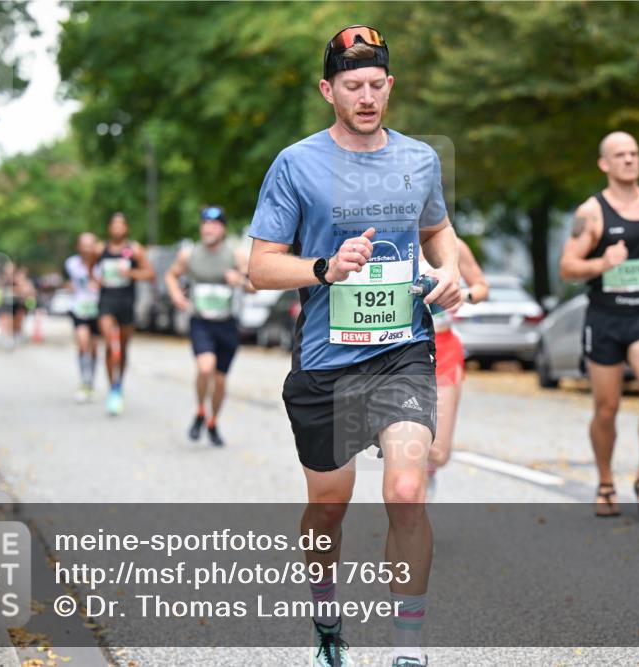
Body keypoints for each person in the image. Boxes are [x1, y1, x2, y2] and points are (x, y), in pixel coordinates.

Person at [248, 25, 461, 667]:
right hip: (325, 362)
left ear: (390, 86)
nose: (366, 97)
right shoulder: (296, 163)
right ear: (327, 90)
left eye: (376, 85)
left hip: (402, 351)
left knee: (405, 490)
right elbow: (259, 266)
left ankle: (408, 646)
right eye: (352, 86)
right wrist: (324, 269)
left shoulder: (420, 158)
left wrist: (448, 269)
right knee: (329, 505)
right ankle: (326, 619)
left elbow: (439, 228)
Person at [559, 131, 639, 517]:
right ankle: (604, 481)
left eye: (634, 153)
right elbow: (567, 267)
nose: (630, 160)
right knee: (606, 409)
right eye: (620, 155)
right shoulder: (591, 213)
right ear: (605, 164)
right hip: (606, 318)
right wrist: (602, 264)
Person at [165, 206, 254, 446]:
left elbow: (255, 285)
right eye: (205, 224)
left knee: (221, 380)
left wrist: (240, 281)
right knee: (206, 368)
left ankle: (212, 420)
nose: (208, 228)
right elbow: (171, 275)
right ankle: (199, 410)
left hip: (227, 325)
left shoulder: (235, 255)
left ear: (223, 229)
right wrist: (176, 295)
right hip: (201, 322)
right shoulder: (189, 254)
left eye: (214, 224)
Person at [421, 239, 489, 499]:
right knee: (403, 442)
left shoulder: (453, 246)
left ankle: (424, 475)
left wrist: (463, 295)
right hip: (396, 347)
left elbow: (481, 286)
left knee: (438, 452)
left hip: (443, 349)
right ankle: (410, 505)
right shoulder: (389, 242)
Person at [90, 212, 155, 416]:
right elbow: (91, 268)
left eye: (121, 225)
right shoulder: (100, 249)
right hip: (106, 301)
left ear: (126, 228)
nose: (117, 228)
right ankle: (112, 389)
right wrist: (95, 279)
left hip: (126, 302)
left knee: (124, 349)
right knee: (110, 344)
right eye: (114, 224)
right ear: (109, 228)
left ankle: (119, 383)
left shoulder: (134, 249)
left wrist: (131, 274)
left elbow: (150, 273)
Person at [65, 232, 102, 402]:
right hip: (79, 309)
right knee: (82, 343)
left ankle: (90, 382)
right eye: (84, 244)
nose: (87, 248)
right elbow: (68, 283)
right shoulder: (71, 264)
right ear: (78, 247)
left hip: (97, 309)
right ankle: (83, 382)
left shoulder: (102, 264)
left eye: (90, 244)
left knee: (94, 348)